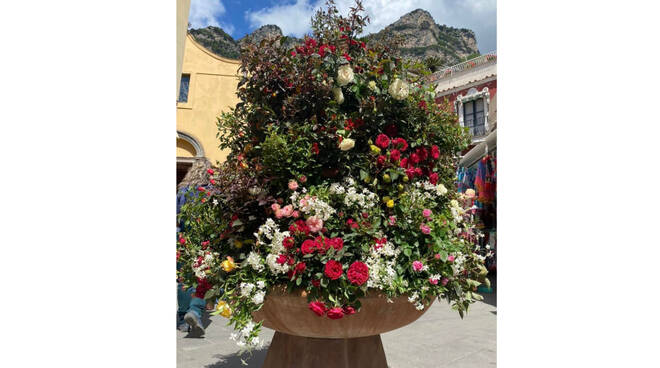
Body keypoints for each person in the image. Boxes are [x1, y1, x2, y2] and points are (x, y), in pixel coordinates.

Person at [176, 158, 214, 337]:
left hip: (183, 239)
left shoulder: (181, 191)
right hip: (203, 239)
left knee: (183, 278)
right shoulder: (210, 191)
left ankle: (183, 319)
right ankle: (195, 311)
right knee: (203, 277)